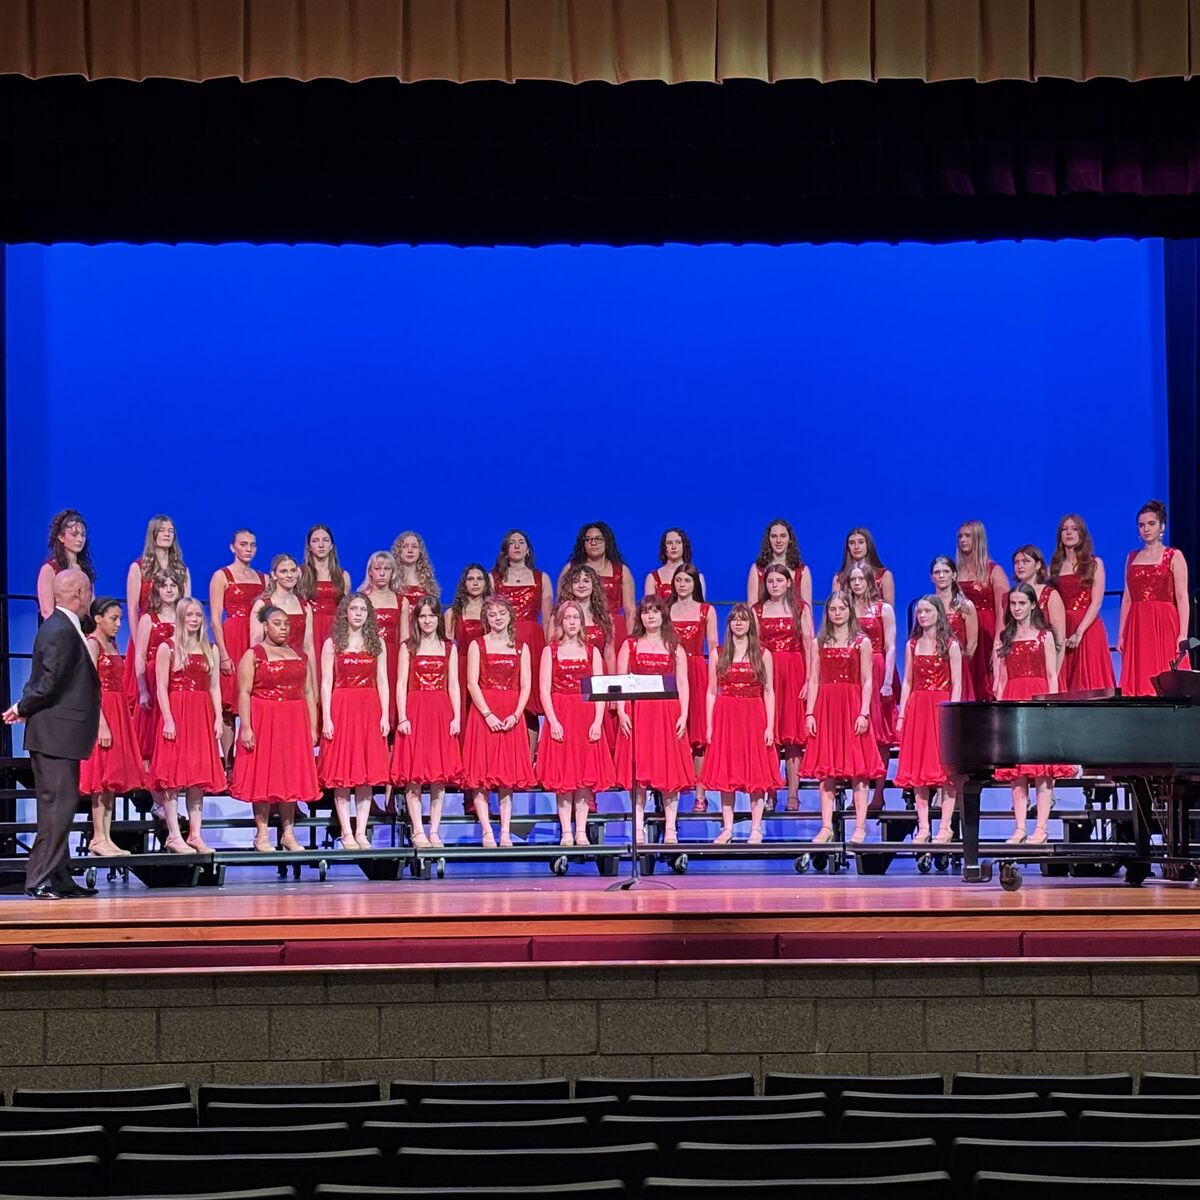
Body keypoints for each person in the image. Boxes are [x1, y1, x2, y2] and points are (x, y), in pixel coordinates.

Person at [4, 569, 101, 898]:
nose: (91, 596)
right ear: (77, 592)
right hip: (54, 733)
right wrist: (22, 707)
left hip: (63, 734)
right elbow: (49, 681)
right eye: (88, 590)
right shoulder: (58, 630)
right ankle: (39, 879)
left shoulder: (65, 627)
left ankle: (59, 877)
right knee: (57, 805)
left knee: (64, 804)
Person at [231, 606, 321, 851]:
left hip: (293, 721)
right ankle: (262, 833)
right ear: (265, 626)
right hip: (264, 718)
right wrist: (247, 727)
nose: (283, 628)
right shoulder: (254, 655)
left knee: (289, 774)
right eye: (277, 623)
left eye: (286, 623)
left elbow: (310, 692)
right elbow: (244, 693)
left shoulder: (300, 655)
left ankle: (288, 834)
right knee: (263, 774)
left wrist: (312, 728)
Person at [801, 591, 882, 845]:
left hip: (852, 705)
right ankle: (826, 826)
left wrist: (864, 712)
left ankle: (860, 826)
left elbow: (867, 680)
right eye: (832, 609)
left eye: (841, 608)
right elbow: (814, 679)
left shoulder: (861, 641)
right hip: (826, 707)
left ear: (850, 611)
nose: (837, 613)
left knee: (860, 770)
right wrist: (810, 712)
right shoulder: (819, 642)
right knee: (826, 771)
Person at [994, 583, 1072, 843]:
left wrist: (1050, 707)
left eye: (1021, 603)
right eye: (1013, 604)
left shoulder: (1044, 636)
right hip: (1014, 699)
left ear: (1032, 605)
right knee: (1017, 770)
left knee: (1041, 767)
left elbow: (1052, 674)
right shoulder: (1006, 637)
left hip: (1037, 698)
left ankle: (1041, 827)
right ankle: (1019, 827)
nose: (1016, 608)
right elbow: (1003, 679)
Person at [613, 597, 692, 846]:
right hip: (639, 714)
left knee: (669, 772)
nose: (650, 617)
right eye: (646, 612)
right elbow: (620, 680)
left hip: (667, 714)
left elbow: (682, 683)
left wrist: (684, 714)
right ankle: (637, 828)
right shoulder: (631, 645)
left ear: (663, 616)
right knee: (638, 774)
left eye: (655, 612)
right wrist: (623, 712)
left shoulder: (674, 647)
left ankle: (670, 829)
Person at [537, 600, 616, 846]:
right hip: (561, 714)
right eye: (567, 618)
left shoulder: (591, 651)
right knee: (564, 777)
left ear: (582, 622)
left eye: (576, 618)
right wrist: (552, 721)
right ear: (560, 621)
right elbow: (544, 689)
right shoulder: (550, 651)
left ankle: (580, 830)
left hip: (585, 715)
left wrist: (597, 721)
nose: (572, 622)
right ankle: (566, 832)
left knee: (584, 776)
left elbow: (599, 690)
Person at [151, 598, 225, 854]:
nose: (194, 620)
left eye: (198, 615)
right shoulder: (167, 648)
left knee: (197, 777)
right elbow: (161, 687)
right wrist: (168, 719)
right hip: (178, 712)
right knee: (172, 777)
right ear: (181, 618)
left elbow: (214, 686)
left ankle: (195, 834)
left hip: (201, 713)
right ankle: (174, 835)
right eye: (190, 615)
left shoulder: (210, 649)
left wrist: (217, 718)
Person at [462, 595, 536, 848]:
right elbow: (472, 683)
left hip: (511, 715)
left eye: (502, 613)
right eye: (492, 614)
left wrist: (517, 714)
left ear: (510, 616)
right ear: (486, 618)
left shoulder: (520, 647)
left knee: (506, 777)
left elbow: (526, 685)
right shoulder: (477, 645)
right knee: (480, 775)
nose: (497, 618)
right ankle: (486, 831)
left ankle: (505, 831)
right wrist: (487, 713)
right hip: (484, 714)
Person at [318, 593, 391, 850]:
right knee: (343, 773)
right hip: (342, 706)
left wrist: (384, 714)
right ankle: (346, 833)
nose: (358, 613)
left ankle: (361, 832)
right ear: (345, 613)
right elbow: (326, 683)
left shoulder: (377, 642)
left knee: (366, 774)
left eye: (363, 609)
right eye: (354, 609)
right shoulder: (332, 643)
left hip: (369, 707)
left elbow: (382, 681)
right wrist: (326, 717)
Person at [701, 604, 777, 845]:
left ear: (750, 624)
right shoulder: (718, 653)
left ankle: (756, 827)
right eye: (734, 619)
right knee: (727, 773)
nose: (739, 623)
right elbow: (711, 692)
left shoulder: (762, 654)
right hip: (727, 716)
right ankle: (728, 828)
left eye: (743, 620)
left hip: (754, 715)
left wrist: (770, 726)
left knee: (756, 772)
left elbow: (769, 691)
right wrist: (710, 725)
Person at [392, 596, 463, 848]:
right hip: (415, 710)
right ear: (416, 619)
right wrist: (402, 717)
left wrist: (456, 716)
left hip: (440, 711)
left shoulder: (448, 647)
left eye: (432, 615)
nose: (427, 620)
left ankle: (434, 830)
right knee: (414, 775)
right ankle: (418, 830)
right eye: (422, 616)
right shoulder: (408, 646)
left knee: (438, 776)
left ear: (438, 618)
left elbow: (453, 684)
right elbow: (400, 684)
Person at [79, 598, 145, 858]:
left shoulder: (112, 643)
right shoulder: (92, 644)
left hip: (117, 710)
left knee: (111, 780)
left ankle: (106, 836)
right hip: (102, 712)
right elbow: (89, 688)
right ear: (98, 618)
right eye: (113, 618)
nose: (118, 624)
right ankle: (97, 837)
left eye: (119, 618)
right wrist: (101, 724)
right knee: (100, 778)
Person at [894, 596, 963, 844]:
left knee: (945, 771)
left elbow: (957, 683)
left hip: (941, 707)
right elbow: (908, 682)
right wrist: (902, 713)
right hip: (918, 709)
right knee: (919, 771)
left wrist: (952, 713)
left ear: (938, 613)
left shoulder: (951, 645)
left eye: (927, 611)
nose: (922, 615)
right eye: (919, 611)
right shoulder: (912, 645)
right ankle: (923, 827)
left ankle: (945, 826)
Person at [754, 563, 813, 813]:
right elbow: (753, 646)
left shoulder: (800, 608)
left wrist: (810, 678)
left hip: (794, 671)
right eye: (770, 581)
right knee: (769, 735)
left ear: (789, 583)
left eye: (779, 580)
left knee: (792, 736)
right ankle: (770, 791)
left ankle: (792, 793)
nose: (775, 585)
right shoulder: (757, 610)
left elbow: (809, 645)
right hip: (768, 673)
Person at [1118, 500, 1191, 696]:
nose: (1146, 529)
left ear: (1162, 527)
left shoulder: (1173, 556)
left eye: (1151, 524)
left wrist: (1182, 634)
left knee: (1164, 674)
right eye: (1141, 525)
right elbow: (1127, 598)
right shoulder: (1131, 557)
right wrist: (1121, 633)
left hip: (1163, 621)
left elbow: (1183, 597)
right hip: (1137, 623)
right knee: (1139, 676)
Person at [208, 528, 267, 758]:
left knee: (255, 696)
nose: (248, 549)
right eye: (243, 544)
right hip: (233, 637)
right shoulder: (222, 576)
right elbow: (214, 619)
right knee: (229, 702)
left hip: (257, 637)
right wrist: (223, 653)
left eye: (252, 545)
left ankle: (253, 758)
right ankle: (229, 762)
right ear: (233, 547)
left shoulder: (264, 578)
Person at [123, 514, 191, 707]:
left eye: (170, 531)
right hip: (147, 635)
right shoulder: (139, 567)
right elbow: (132, 609)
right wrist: (138, 644)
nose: (167, 534)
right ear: (153, 534)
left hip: (175, 636)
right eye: (162, 530)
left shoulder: (181, 570)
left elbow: (187, 608)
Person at [492, 529, 552, 740]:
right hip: (504, 641)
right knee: (507, 695)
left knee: (531, 702)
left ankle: (529, 760)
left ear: (528, 550)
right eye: (512, 542)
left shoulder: (541, 578)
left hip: (533, 641)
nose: (517, 546)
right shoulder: (494, 579)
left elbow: (547, 618)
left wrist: (548, 648)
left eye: (521, 542)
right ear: (506, 550)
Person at [847, 562, 897, 808]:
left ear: (870, 581)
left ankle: (878, 793)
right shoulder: (844, 609)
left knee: (879, 735)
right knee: (855, 732)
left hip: (876, 669)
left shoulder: (882, 609)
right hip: (851, 672)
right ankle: (857, 792)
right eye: (853, 579)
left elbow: (891, 647)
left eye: (860, 579)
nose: (856, 584)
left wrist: (888, 681)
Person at [670, 563, 719, 810]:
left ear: (695, 584)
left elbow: (713, 645)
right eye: (678, 580)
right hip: (670, 674)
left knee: (698, 737)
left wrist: (714, 677)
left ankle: (700, 794)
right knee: (673, 734)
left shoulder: (706, 610)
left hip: (697, 672)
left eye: (687, 581)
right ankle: (668, 794)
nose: (682, 584)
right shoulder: (666, 610)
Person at [1049, 513, 1115, 692]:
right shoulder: (1054, 567)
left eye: (1074, 529)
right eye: (1065, 529)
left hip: (1087, 628)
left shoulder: (1094, 563)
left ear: (1082, 534)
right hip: (1063, 626)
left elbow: (1096, 602)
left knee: (1089, 681)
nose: (1069, 533)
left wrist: (1079, 632)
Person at [132, 570, 184, 768]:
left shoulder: (185, 618)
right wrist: (144, 690)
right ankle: (150, 785)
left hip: (178, 680)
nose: (169, 590)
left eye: (173, 585)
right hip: (154, 680)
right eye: (164, 586)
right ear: (157, 590)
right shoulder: (149, 619)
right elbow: (140, 657)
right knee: (150, 733)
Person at [560, 522, 636, 653]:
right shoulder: (570, 569)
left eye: (598, 539)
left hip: (616, 630)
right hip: (581, 628)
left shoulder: (621, 571)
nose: (593, 543)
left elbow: (630, 610)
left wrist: (632, 640)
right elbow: (562, 607)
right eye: (588, 539)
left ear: (607, 541)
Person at [955, 520, 1009, 701]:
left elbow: (1003, 609)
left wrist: (998, 640)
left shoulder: (994, 570)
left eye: (968, 536)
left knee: (984, 681)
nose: (963, 540)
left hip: (986, 632)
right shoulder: (954, 572)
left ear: (978, 538)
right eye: (960, 536)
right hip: (960, 631)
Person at [297, 524, 351, 699]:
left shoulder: (342, 576)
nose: (321, 545)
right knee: (312, 676)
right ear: (309, 546)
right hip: (309, 632)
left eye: (325, 540)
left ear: (332, 545)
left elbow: (346, 611)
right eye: (315, 541)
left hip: (333, 632)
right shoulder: (300, 573)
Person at [446, 563, 491, 740]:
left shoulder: (492, 612)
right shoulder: (452, 613)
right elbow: (447, 645)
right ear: (464, 583)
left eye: (479, 579)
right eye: (470, 579)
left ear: (486, 583)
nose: (475, 583)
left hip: (486, 670)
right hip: (461, 668)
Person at [251, 553, 316, 676]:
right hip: (271, 671)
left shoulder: (305, 607)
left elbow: (308, 648)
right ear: (274, 575)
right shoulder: (262, 605)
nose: (290, 575)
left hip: (298, 671)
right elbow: (255, 647)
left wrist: (314, 683)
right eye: (284, 571)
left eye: (292, 571)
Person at [360, 550, 403, 729]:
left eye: (387, 569)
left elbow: (405, 638)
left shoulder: (401, 601)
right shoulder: (363, 600)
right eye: (378, 568)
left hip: (393, 656)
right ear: (370, 571)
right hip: (371, 654)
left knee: (392, 693)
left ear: (393, 572)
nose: (382, 573)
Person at [1010, 545, 1067, 670]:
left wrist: (1055, 676)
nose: (1020, 566)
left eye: (1026, 561)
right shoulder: (1010, 597)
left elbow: (1060, 641)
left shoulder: (1050, 595)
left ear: (1037, 565)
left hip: (1045, 667)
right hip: (1017, 669)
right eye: (1016, 562)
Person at [930, 555, 978, 700]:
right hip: (933, 671)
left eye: (945, 571)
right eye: (937, 572)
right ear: (931, 577)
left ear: (954, 575)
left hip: (958, 668)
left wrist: (958, 662)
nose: (941, 575)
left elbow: (972, 643)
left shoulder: (965, 606)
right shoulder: (926, 607)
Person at [36, 509, 96, 619]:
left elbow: (91, 607)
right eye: (74, 535)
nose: (80, 539)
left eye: (83, 535)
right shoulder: (49, 570)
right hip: (60, 632)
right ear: (61, 537)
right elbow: (47, 611)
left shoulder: (85, 571)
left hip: (85, 632)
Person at [748, 518, 812, 610]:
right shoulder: (757, 569)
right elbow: (752, 607)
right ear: (768, 539)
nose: (778, 540)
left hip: (796, 623)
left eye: (783, 536)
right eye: (774, 536)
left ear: (790, 539)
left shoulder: (802, 571)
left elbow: (807, 609)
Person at [392, 530, 441, 635]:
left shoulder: (428, 582)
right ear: (398, 551)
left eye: (414, 547)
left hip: (422, 633)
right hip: (398, 632)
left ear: (420, 551)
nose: (410, 550)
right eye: (405, 546)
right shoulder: (391, 580)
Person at [833, 527, 896, 605]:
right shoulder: (839, 579)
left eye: (861, 542)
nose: (856, 547)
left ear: (868, 545)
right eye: (852, 543)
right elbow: (836, 608)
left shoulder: (884, 575)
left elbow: (889, 610)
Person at [646, 528, 706, 601]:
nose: (674, 547)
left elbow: (700, 608)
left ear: (684, 546)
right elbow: (649, 608)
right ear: (664, 547)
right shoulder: (652, 578)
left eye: (678, 542)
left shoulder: (698, 577)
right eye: (669, 543)